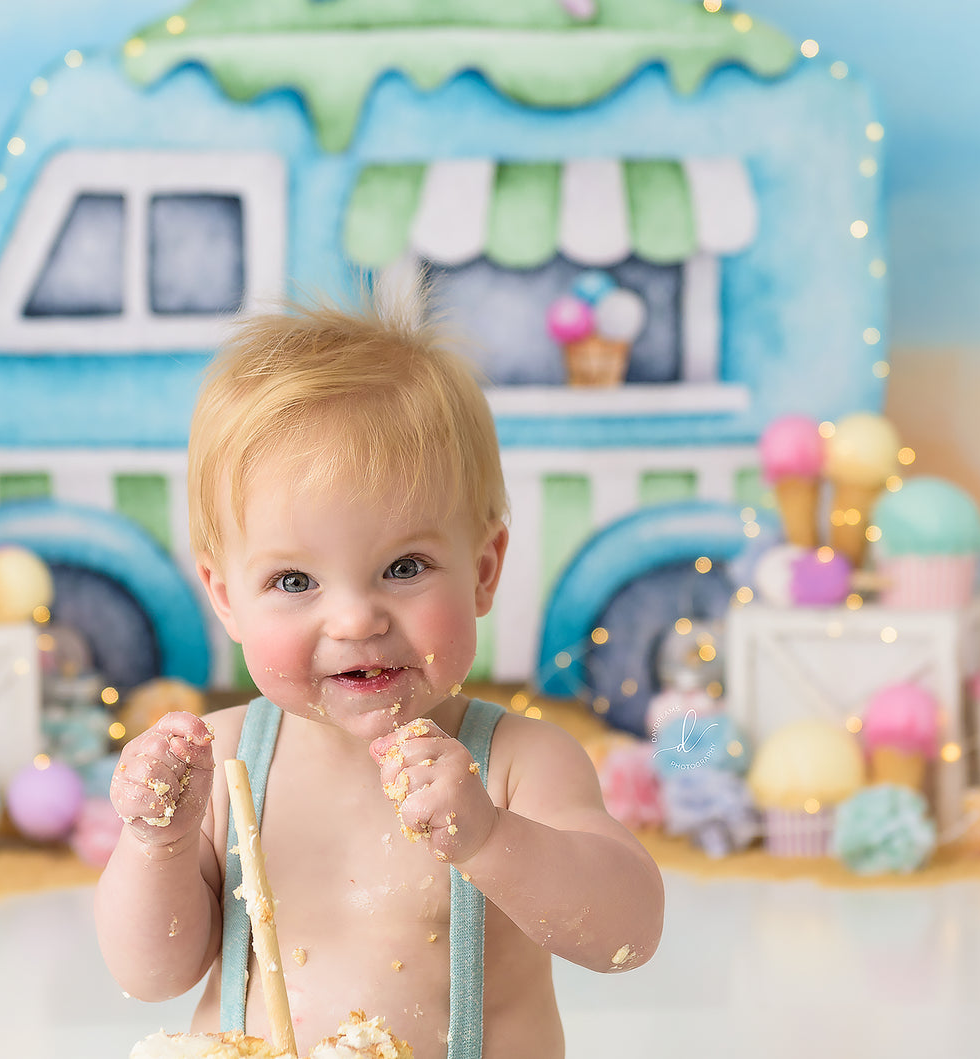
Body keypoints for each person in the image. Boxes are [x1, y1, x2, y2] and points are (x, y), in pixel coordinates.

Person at [96, 290, 664, 1059]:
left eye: (403, 567)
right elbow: (150, 975)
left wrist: (491, 837)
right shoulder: (224, 764)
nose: (355, 620)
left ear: (482, 569)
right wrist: (159, 843)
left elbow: (627, 933)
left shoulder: (515, 764)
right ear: (225, 597)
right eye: (294, 580)